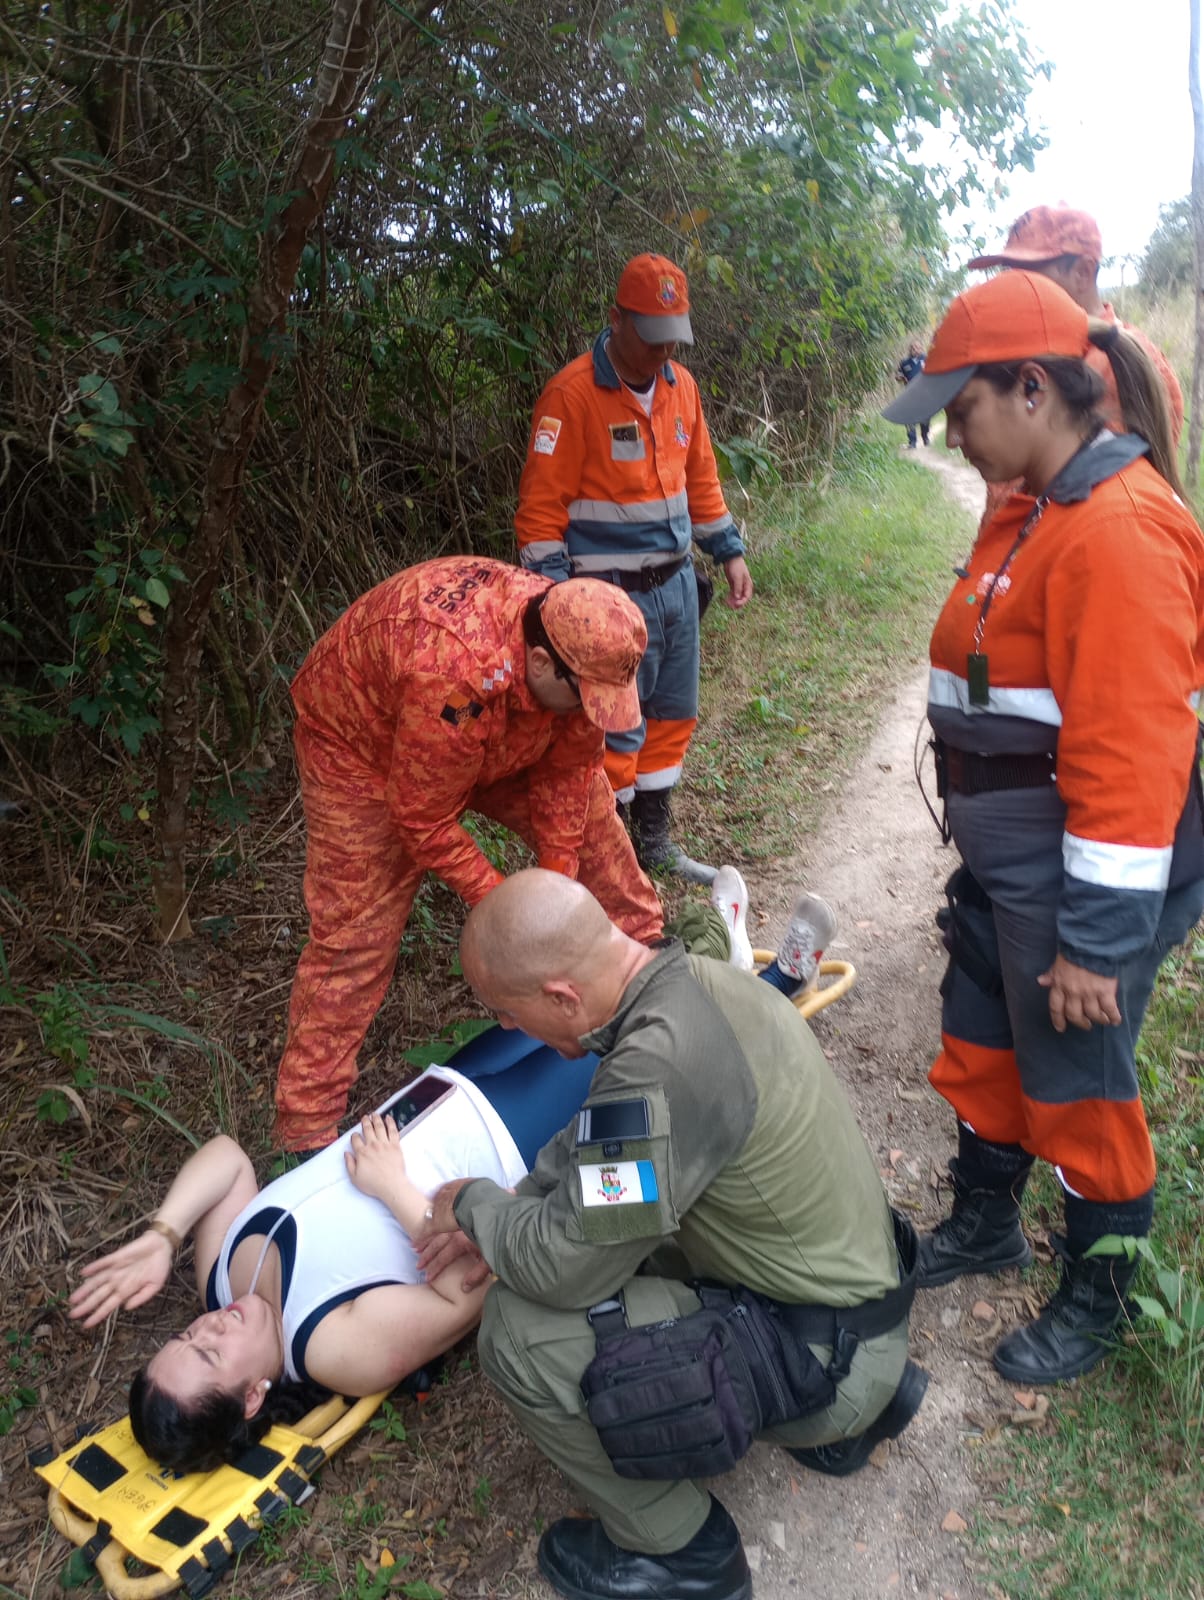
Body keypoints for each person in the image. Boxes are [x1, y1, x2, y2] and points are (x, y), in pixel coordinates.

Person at [417, 870, 926, 1600]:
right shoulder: (683, 987)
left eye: (506, 1013)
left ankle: (681, 1552)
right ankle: (860, 1408)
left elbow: (566, 1268)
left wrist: (471, 1206)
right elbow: (597, 1141)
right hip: (854, 1309)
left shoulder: (661, 1062)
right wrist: (510, 1207)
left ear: (561, 996)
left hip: (833, 1359)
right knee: (609, 1238)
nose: (505, 1029)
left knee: (516, 1331)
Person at [882, 270, 1204, 1384]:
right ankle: (981, 1223)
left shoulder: (1117, 533)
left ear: (1030, 388)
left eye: (959, 409)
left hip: (1076, 881)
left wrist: (1094, 948)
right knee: (981, 1037)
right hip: (1010, 859)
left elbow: (1129, 760)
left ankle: (1100, 1291)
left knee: (1078, 1081)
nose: (951, 434)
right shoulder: (1043, 506)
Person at [273, 556, 663, 1152]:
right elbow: (422, 816)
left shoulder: (580, 646)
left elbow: (567, 776)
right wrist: (509, 913)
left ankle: (654, 976)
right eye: (586, 697)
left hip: (493, 723)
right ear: (541, 664)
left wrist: (554, 910)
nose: (596, 709)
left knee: (594, 830)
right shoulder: (454, 669)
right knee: (356, 933)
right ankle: (304, 1133)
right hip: (363, 745)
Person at [67, 1055, 598, 1475]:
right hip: (514, 1136)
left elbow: (228, 1159)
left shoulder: (222, 1280)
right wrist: (394, 1190)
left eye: (186, 1335)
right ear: (252, 1397)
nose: (209, 1325)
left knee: (592, 969)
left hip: (446, 1085)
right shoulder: (332, 1350)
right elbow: (470, 1291)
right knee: (640, 1019)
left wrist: (164, 1235)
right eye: (209, 1353)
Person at [514, 253, 755, 885]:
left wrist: (727, 551)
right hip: (607, 599)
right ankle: (609, 851)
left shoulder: (683, 388)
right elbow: (540, 517)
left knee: (673, 715)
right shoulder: (571, 397)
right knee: (614, 728)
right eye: (651, 338)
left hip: (676, 588)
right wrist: (560, 611)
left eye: (672, 338)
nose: (662, 353)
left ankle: (654, 838)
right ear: (616, 320)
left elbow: (701, 480)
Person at [967, 205, 1185, 530]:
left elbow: (1118, 514)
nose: (1014, 288)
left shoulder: (1123, 367)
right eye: (1010, 274)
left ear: (1083, 272)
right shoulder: (1033, 353)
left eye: (1029, 276)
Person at [896, 341, 931, 448]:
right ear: (910, 349)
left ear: (921, 348)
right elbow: (898, 375)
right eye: (913, 348)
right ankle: (912, 442)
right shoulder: (904, 363)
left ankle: (925, 436)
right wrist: (900, 378)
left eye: (918, 347)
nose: (915, 349)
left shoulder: (926, 359)